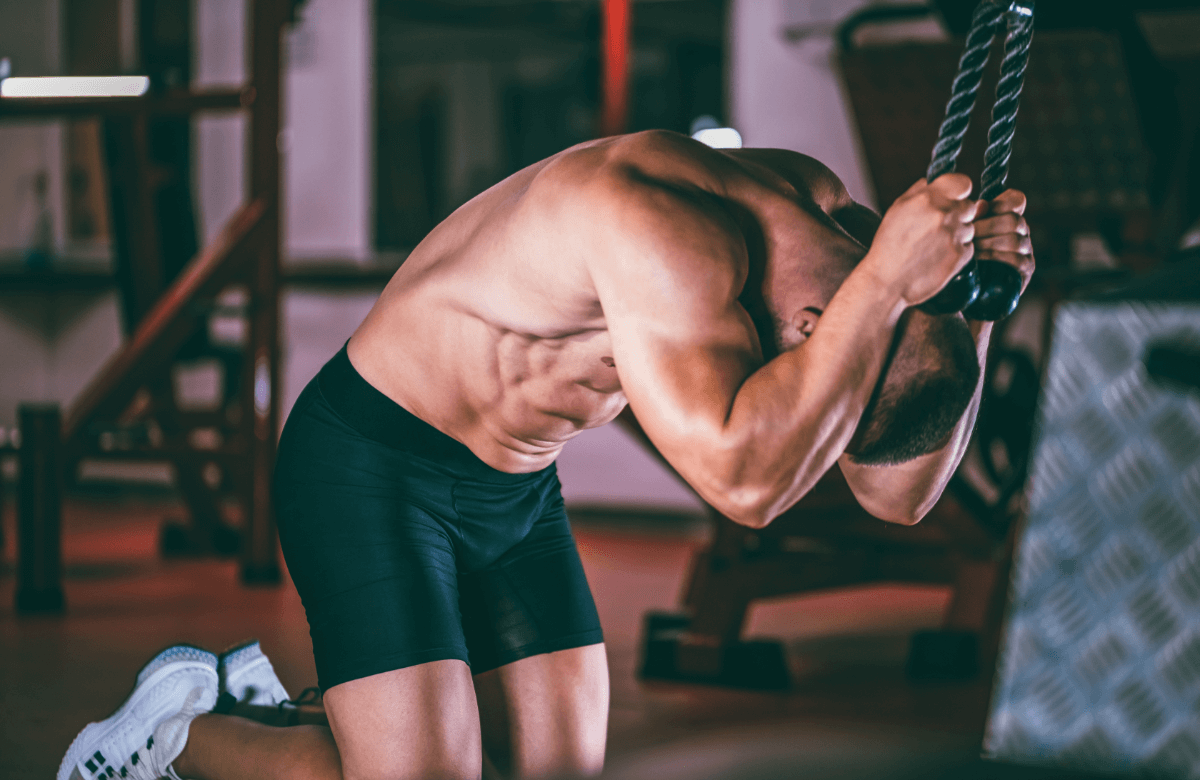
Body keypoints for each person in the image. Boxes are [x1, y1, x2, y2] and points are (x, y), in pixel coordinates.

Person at [58, 129, 1034, 780]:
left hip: (516, 488)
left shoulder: (854, 260)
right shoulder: (657, 220)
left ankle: (318, 707)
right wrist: (888, 296)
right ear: (825, 318)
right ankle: (172, 731)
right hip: (372, 462)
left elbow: (897, 493)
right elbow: (749, 485)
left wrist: (970, 309)